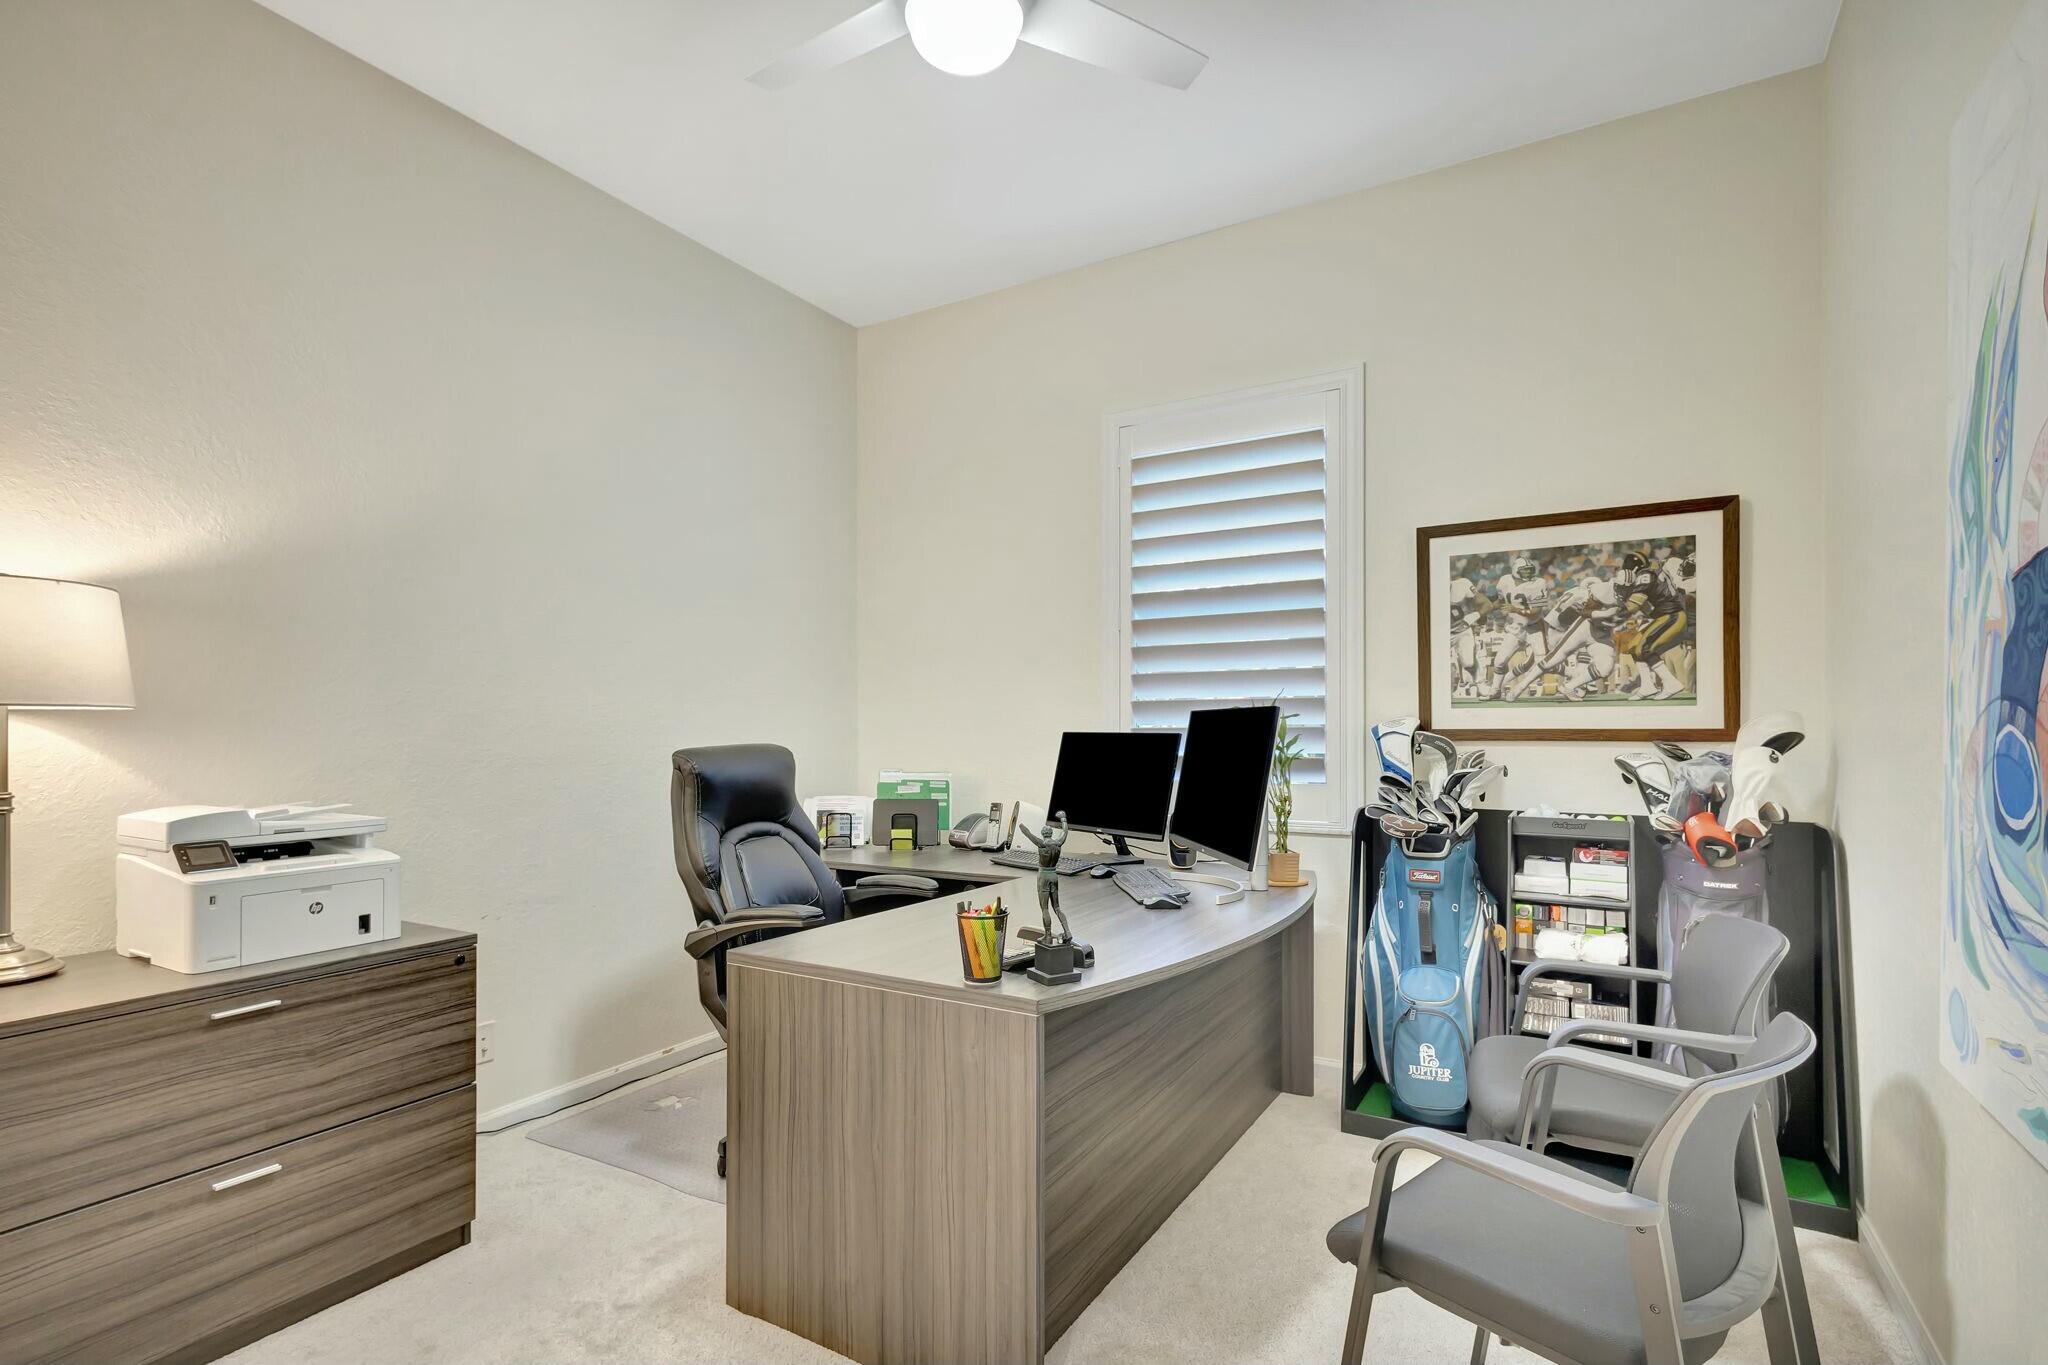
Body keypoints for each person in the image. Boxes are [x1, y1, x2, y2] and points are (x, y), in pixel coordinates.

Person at [1015, 812, 1074, 945]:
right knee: (1057, 907)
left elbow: (1028, 833)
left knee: (1045, 908)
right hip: (1054, 875)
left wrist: (1019, 823)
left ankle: (1047, 936)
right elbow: (1065, 832)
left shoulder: (1041, 844)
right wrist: (1064, 819)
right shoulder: (1058, 843)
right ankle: (1067, 931)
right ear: (1051, 834)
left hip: (1044, 876)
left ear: (1043, 834)